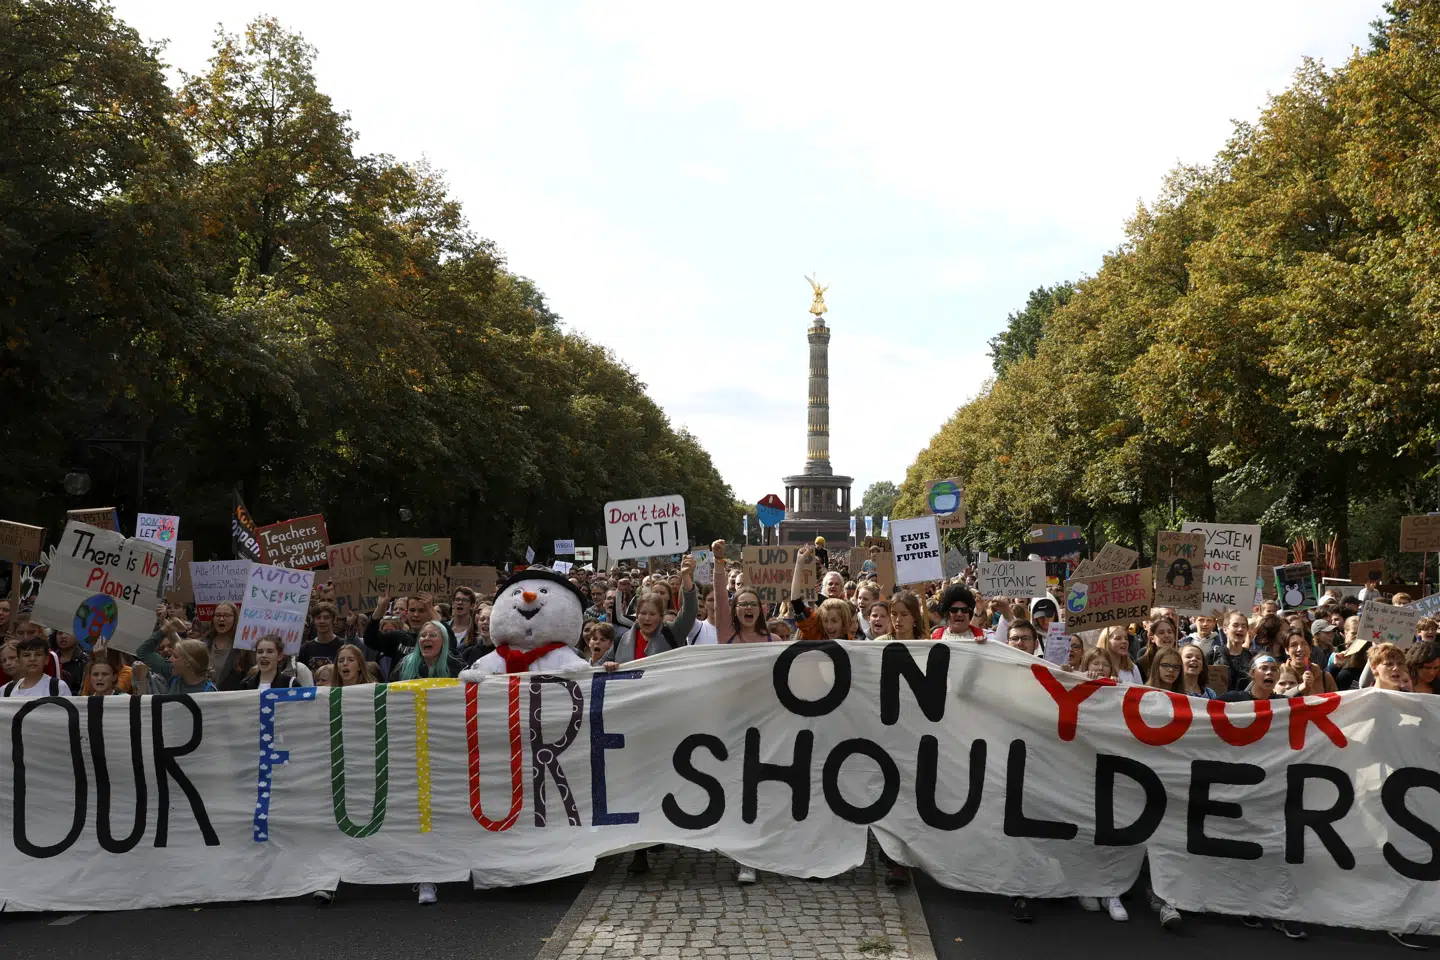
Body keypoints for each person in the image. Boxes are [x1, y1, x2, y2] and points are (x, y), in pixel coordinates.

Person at [607, 556, 697, 668]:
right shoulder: (621, 640)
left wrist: (686, 577)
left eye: (653, 614)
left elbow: (690, 611)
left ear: (661, 616)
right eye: (643, 613)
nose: (647, 618)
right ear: (637, 614)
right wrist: (607, 665)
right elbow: (596, 667)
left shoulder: (672, 633)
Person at [710, 542, 781, 644]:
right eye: (743, 604)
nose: (749, 607)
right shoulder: (726, 634)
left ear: (760, 610)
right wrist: (718, 559)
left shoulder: (774, 640)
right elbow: (720, 598)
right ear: (734, 610)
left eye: (753, 604)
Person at [379, 620, 465, 681]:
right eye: (423, 635)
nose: (426, 638)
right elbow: (391, 691)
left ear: (444, 641)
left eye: (433, 635)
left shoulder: (456, 665)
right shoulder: (404, 664)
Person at [133, 638, 218, 694]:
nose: (170, 659)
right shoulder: (172, 679)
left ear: (188, 662)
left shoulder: (209, 691)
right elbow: (142, 651)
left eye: (175, 656)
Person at [204, 601, 253, 691]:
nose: (221, 619)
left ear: (235, 619)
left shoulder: (243, 648)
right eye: (218, 615)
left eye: (227, 616)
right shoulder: (203, 644)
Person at [2, 635, 71, 697]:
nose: (32, 659)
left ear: (46, 659)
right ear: (19, 660)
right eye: (27, 655)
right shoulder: (6, 690)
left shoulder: (58, 687)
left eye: (38, 655)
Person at [1208, 611, 1255, 694]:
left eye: (1243, 626)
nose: (1240, 629)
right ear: (1225, 629)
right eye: (1235, 625)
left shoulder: (1253, 658)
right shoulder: (1212, 655)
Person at [1284, 628, 1337, 694]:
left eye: (1304, 644)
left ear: (1311, 649)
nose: (1300, 649)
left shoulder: (1325, 678)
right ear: (1287, 650)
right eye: (1293, 645)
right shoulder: (1278, 675)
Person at [299, 602, 345, 670]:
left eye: (326, 618)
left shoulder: (343, 645)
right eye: (318, 618)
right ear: (313, 620)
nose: (322, 621)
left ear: (334, 620)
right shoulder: (305, 649)